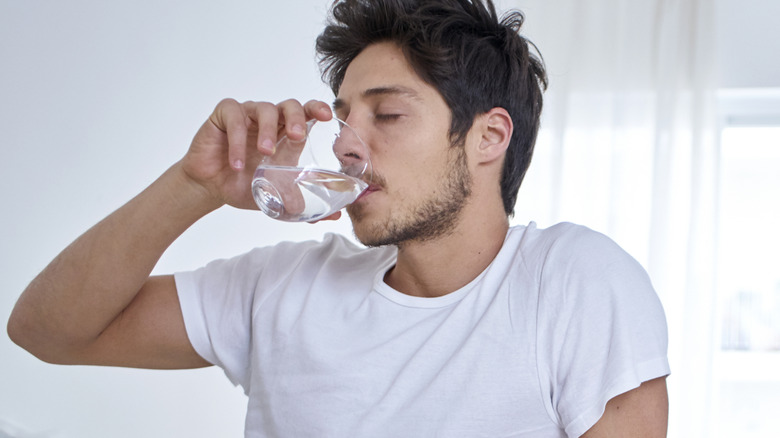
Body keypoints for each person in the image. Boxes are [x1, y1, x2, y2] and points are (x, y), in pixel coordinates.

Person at [7, 0, 670, 436]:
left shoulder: (576, 281)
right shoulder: (282, 288)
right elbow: (46, 330)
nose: (348, 143)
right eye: (346, 117)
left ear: (488, 137)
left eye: (387, 114)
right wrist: (194, 186)